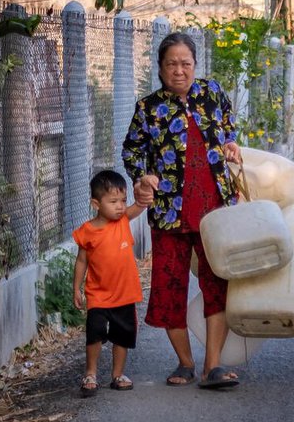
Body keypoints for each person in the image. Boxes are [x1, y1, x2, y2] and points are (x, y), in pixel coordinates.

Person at [121, 32, 243, 391]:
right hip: (169, 214)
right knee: (168, 288)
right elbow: (132, 151)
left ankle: (214, 365)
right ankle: (186, 363)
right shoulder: (148, 108)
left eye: (185, 63)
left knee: (215, 285)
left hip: (215, 211)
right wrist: (142, 176)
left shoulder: (212, 93)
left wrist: (232, 143)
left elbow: (228, 126)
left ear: (195, 65)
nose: (179, 70)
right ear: (160, 68)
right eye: (171, 64)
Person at [72, 170, 149, 398]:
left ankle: (118, 375)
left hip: (125, 294)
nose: (120, 206)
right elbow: (81, 261)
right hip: (98, 294)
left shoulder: (124, 219)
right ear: (96, 203)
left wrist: (144, 190)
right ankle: (91, 374)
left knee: (122, 335)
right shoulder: (87, 232)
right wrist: (76, 288)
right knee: (94, 333)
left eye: (123, 201)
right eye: (113, 201)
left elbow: (139, 206)